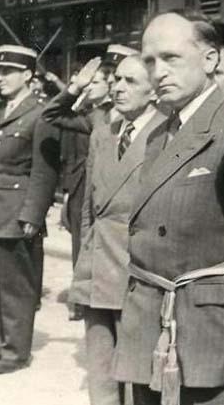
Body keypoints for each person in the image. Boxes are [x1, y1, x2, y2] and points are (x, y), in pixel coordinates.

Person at [111, 10, 224, 405]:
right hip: (155, 336)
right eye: (149, 60)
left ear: (210, 60)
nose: (158, 72)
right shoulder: (160, 133)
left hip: (211, 348)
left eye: (171, 58)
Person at [69, 54, 164, 405]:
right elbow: (89, 211)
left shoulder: (166, 135)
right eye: (116, 80)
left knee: (140, 377)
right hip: (97, 268)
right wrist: (83, 263)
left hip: (136, 273)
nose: (118, 88)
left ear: (154, 91)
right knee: (101, 370)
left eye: (130, 82)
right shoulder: (103, 133)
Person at [0, 45, 60, 374]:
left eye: (6, 72)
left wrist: (33, 214)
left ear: (27, 75)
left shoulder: (40, 114)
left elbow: (45, 171)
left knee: (16, 285)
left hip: (16, 210)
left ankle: (15, 352)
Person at [43, 45, 133, 319]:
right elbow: (52, 115)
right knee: (84, 244)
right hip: (94, 194)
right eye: (110, 79)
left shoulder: (155, 117)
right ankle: (86, 298)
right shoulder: (97, 117)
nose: (114, 85)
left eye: (113, 79)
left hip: (129, 202)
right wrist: (74, 87)